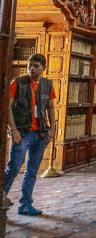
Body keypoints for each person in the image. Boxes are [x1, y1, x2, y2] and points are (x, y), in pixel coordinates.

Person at [3, 54, 56, 216]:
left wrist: (52, 129)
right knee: (13, 168)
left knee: (32, 170)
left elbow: (51, 107)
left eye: (36, 66)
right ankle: (1, 198)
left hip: (40, 133)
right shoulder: (17, 83)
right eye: (29, 65)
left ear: (43, 68)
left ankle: (25, 204)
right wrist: (13, 129)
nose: (32, 69)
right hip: (22, 133)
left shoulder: (47, 84)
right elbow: (8, 107)